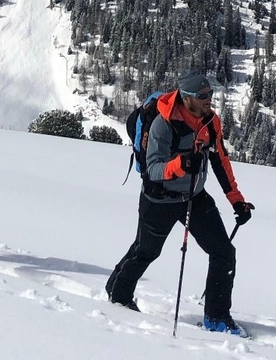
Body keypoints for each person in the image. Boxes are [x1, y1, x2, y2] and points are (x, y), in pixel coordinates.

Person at [105, 70, 254, 335]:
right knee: (146, 251)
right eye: (203, 96)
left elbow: (220, 161)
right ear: (186, 99)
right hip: (159, 199)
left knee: (223, 252)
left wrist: (237, 201)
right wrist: (182, 164)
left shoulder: (210, 121)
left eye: (210, 94)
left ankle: (216, 318)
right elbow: (153, 170)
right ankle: (118, 296)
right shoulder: (164, 124)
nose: (209, 100)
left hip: (194, 197)